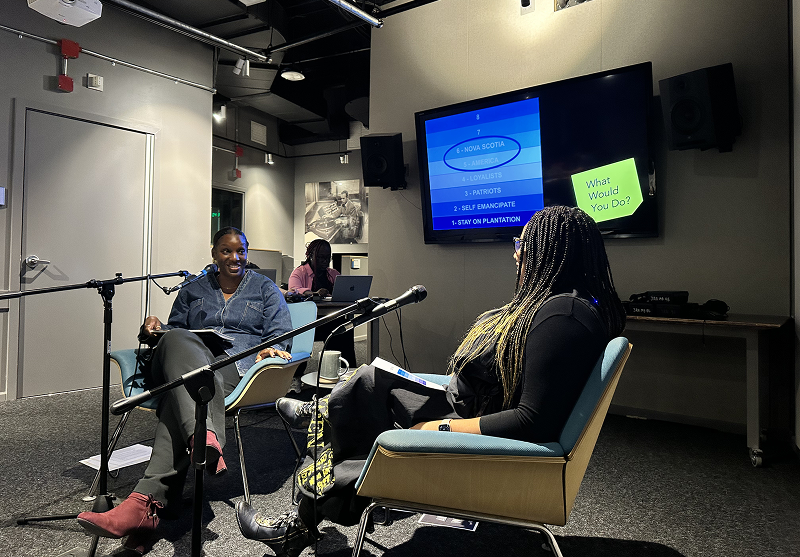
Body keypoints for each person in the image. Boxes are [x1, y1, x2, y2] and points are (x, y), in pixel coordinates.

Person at [235, 206, 626, 557]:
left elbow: (532, 421)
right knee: (366, 382)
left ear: (549, 249)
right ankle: (319, 465)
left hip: (473, 422)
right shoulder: (563, 308)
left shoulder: (563, 317)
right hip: (468, 402)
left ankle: (306, 512)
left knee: (357, 403)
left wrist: (441, 426)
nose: (516, 251)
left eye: (523, 241)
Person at [77, 227, 293, 553]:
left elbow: (281, 336)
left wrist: (266, 351)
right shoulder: (193, 287)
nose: (235, 258)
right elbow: (172, 330)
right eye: (226, 251)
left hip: (234, 369)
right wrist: (155, 329)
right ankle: (202, 437)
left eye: (241, 251)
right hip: (190, 361)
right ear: (214, 253)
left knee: (176, 401)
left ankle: (147, 507)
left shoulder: (264, 289)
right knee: (178, 340)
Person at [288, 239, 357, 368]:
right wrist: (313, 293)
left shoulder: (333, 274)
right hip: (308, 322)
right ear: (310, 255)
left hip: (329, 319)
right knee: (299, 335)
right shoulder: (299, 272)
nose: (325, 261)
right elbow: (293, 290)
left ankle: (346, 371)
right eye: (321, 257)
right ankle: (296, 378)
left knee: (345, 329)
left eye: (327, 257)